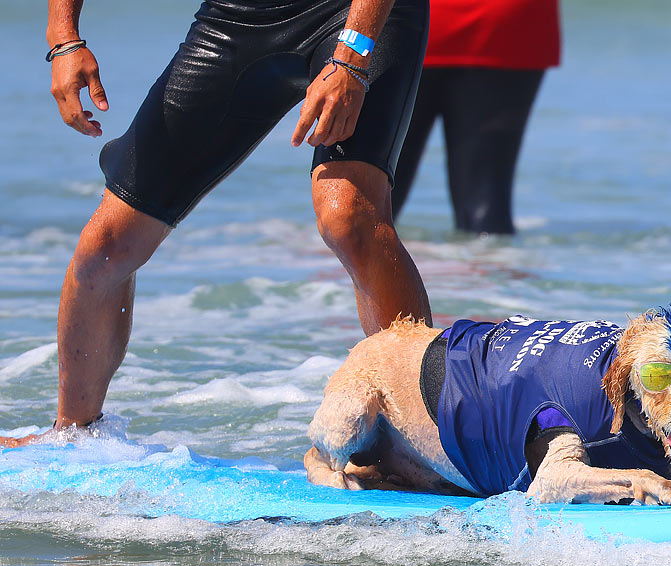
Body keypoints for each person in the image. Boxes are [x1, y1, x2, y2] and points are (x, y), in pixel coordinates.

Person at [1, 0, 431, 448]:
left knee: (349, 218)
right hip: (236, 19)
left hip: (356, 15)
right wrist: (63, 38)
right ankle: (73, 436)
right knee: (106, 246)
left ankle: (425, 437)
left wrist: (352, 57)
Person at [390, 0, 560, 235]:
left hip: (409, 16)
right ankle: (489, 270)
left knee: (364, 204)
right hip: (507, 21)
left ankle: (336, 272)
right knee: (485, 211)